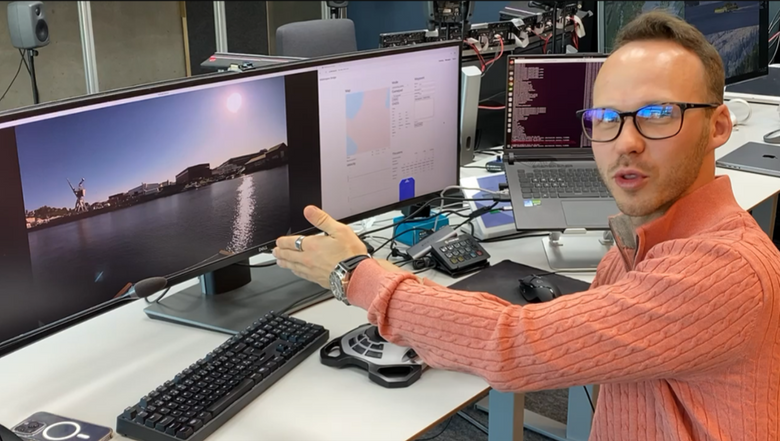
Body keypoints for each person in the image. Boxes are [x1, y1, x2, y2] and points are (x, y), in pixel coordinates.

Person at [274, 11, 780, 441]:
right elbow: (547, 335)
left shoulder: (722, 269)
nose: (626, 141)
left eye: (656, 114)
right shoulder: (645, 241)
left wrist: (354, 273)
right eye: (606, 118)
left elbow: (513, 345)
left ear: (718, 126)